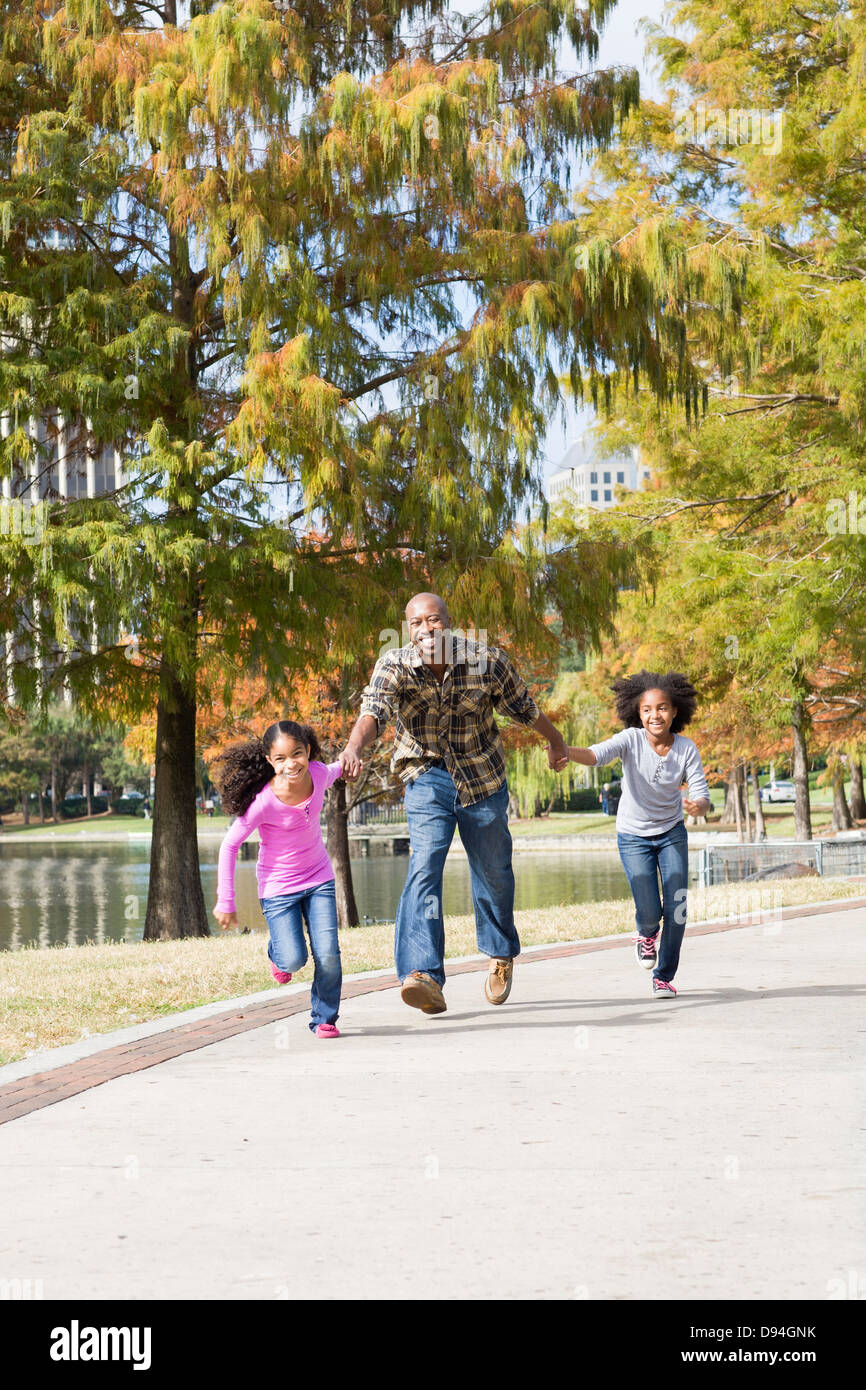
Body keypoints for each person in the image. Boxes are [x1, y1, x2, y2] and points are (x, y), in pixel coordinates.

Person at [338, 592, 568, 1016]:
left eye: (434, 620)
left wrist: (555, 741)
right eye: (416, 622)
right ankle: (424, 975)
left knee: (493, 872)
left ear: (449, 622)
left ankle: (500, 954)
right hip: (426, 775)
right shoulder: (394, 664)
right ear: (407, 628)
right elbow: (373, 711)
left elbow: (524, 707)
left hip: (482, 776)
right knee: (425, 862)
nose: (426, 629)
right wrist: (353, 746)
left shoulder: (487, 660)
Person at [554, 671, 710, 998]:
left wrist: (700, 806)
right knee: (651, 910)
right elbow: (597, 755)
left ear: (675, 711)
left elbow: (701, 791)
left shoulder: (685, 748)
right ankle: (646, 932)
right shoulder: (630, 740)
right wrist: (565, 750)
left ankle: (663, 977)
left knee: (678, 905)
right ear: (638, 714)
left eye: (663, 708)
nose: (655, 715)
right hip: (633, 835)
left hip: (671, 833)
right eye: (648, 709)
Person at [210, 720, 345, 1038]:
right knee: (293, 957)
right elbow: (230, 845)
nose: (291, 764)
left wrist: (350, 761)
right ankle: (278, 954)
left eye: (297, 754)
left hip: (319, 877)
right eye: (281, 758)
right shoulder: (264, 801)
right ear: (270, 760)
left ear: (307, 751)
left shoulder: (318, 773)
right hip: (278, 888)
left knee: (328, 952)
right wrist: (226, 900)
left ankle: (324, 1017)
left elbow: (337, 769)